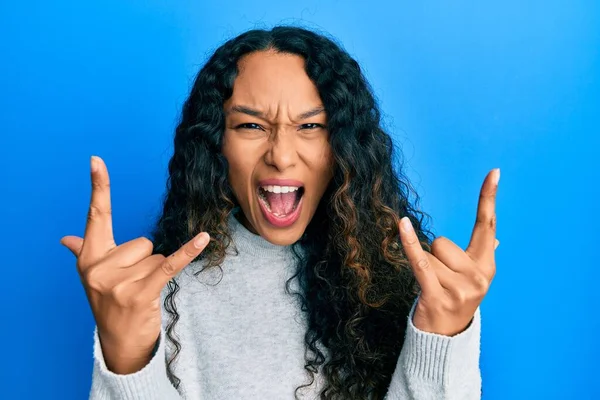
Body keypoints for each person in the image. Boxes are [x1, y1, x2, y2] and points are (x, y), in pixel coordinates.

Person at [61, 26, 500, 400]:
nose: (282, 156)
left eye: (310, 126)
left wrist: (441, 336)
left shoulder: (416, 283)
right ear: (216, 143)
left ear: (343, 145)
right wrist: (127, 358)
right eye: (251, 126)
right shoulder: (156, 292)